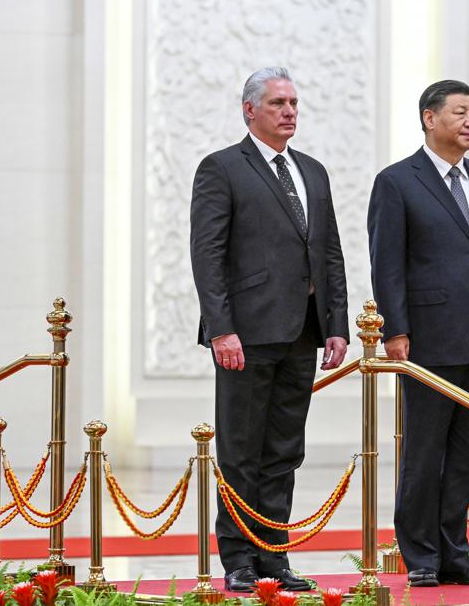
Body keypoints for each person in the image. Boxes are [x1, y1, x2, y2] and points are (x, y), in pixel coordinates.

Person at [190, 67, 349, 593]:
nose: (289, 111)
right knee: (241, 449)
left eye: (294, 103)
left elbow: (328, 253)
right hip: (246, 335)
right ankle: (237, 559)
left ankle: (273, 556)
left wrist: (336, 325)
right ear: (249, 110)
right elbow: (207, 255)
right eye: (278, 102)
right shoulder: (222, 168)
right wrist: (220, 328)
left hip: (303, 333)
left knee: (284, 450)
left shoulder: (314, 171)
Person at [367, 79, 469, 588]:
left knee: (466, 450)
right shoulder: (397, 181)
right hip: (426, 337)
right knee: (424, 449)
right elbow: (386, 263)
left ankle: (455, 551)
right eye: (460, 112)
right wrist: (396, 329)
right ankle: (422, 556)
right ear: (430, 118)